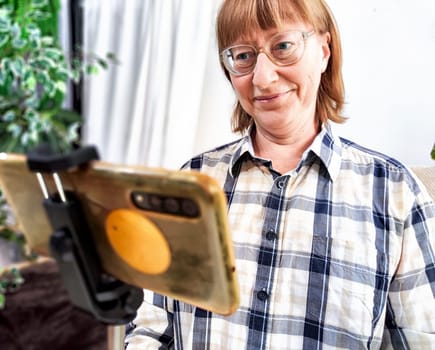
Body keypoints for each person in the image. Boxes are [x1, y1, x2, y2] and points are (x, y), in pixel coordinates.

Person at [125, 0, 435, 348]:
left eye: (283, 46)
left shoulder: (396, 194)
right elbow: (152, 328)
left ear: (324, 50)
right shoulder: (190, 185)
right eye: (242, 56)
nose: (262, 77)